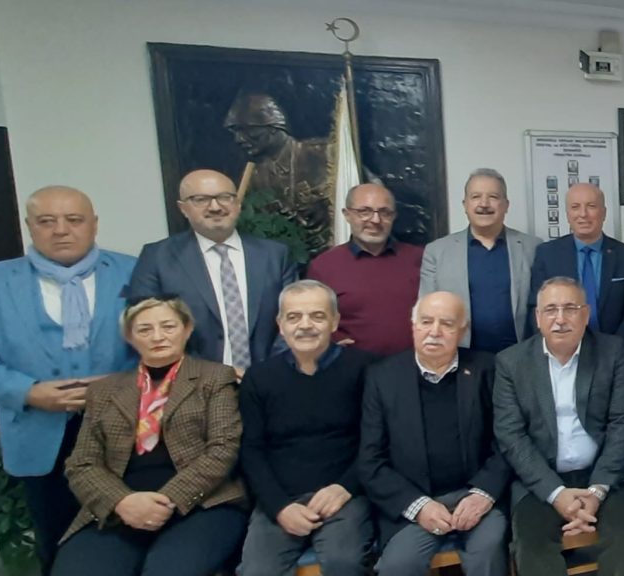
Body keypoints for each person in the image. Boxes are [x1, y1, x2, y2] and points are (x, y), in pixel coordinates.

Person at [0, 185, 136, 576]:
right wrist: (27, 392)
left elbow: (165, 340)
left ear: (94, 224)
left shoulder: (134, 272)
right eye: (47, 221)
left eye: (74, 220)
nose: (61, 230)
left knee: (129, 536)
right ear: (30, 226)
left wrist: (120, 385)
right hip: (39, 433)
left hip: (123, 428)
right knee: (56, 542)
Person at [48, 297, 246, 576]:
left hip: (201, 505)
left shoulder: (215, 377)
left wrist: (166, 500)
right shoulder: (104, 391)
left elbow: (222, 450)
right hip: (119, 508)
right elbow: (82, 463)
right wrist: (123, 502)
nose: (157, 336)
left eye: (168, 326)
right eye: (144, 329)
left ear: (187, 329)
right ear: (130, 337)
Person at [493, 277, 624, 576]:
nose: (560, 319)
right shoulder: (511, 363)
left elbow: (623, 423)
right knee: (530, 545)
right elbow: (511, 436)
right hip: (542, 479)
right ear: (538, 318)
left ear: (585, 314)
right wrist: (556, 493)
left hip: (605, 474)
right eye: (550, 310)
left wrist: (597, 490)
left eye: (570, 308)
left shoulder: (612, 352)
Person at [359, 291, 511, 576]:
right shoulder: (382, 377)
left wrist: (482, 494)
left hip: (476, 499)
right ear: (413, 325)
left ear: (463, 330)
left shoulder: (487, 369)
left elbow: (507, 441)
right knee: (396, 568)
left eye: (447, 324)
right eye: (426, 321)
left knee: (488, 554)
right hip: (416, 504)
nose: (435, 331)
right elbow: (370, 461)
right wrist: (419, 506)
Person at [238, 281, 376, 576]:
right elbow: (251, 451)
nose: (305, 325)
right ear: (280, 324)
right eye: (294, 317)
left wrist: (345, 487)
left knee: (343, 562)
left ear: (334, 322)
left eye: (317, 315)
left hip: (345, 493)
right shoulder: (259, 378)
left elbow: (378, 440)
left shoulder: (365, 369)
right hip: (280, 497)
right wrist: (279, 506)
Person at [129, 169, 298, 375]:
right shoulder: (157, 257)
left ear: (237, 203)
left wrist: (267, 374)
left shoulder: (275, 255)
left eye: (225, 197)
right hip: (191, 383)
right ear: (183, 208)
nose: (215, 207)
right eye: (201, 199)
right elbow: (146, 329)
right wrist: (211, 376)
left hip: (269, 380)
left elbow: (294, 319)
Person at [419, 168, 541, 352]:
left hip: (519, 356)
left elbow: (543, 307)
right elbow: (426, 312)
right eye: (476, 196)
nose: (484, 204)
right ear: (465, 204)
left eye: (493, 196)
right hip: (462, 357)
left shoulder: (533, 248)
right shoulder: (436, 252)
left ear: (506, 205)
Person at [307, 183, 423, 356]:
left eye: (384, 212)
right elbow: (311, 317)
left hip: (412, 365)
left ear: (394, 216)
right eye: (364, 212)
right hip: (352, 367)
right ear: (347, 215)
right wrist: (332, 340)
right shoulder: (323, 266)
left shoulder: (420, 259)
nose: (375, 220)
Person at [223, 91, 334, 257]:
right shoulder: (251, 177)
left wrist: (330, 207)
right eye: (235, 132)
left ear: (274, 127)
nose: (239, 139)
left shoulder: (324, 153)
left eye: (247, 130)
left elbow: (369, 191)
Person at [528, 183, 624, 343]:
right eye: (575, 207)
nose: (583, 214)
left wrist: (615, 346)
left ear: (604, 213)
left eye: (591, 206)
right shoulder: (547, 254)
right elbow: (536, 307)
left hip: (614, 347)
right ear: (567, 214)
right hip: (562, 345)